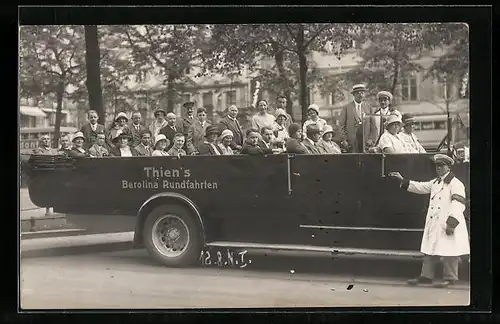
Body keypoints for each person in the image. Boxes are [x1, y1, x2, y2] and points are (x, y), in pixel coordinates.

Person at [389, 154, 469, 288]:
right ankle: (426, 276)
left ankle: (450, 278)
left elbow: (459, 204)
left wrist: (451, 223)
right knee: (430, 250)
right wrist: (402, 180)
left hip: (448, 223)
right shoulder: (436, 182)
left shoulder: (456, 183)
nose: (439, 168)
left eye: (442, 166)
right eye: (437, 166)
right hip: (435, 223)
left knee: (450, 252)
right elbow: (420, 187)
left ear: (448, 167)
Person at [339, 84, 373, 153]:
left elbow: (373, 126)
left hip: (365, 142)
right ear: (354, 94)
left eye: (362, 93)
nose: (360, 95)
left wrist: (371, 139)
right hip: (351, 142)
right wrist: (344, 140)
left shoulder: (368, 107)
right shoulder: (346, 108)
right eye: (358, 93)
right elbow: (341, 126)